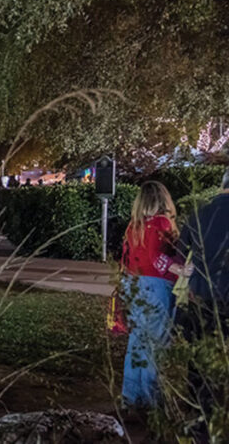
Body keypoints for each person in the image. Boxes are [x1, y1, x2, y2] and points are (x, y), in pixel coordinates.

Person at [120, 181, 190, 409]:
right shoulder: (161, 222)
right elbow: (155, 258)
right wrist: (181, 270)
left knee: (137, 342)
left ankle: (131, 396)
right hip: (157, 286)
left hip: (134, 283)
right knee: (155, 343)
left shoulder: (134, 226)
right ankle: (152, 400)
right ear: (163, 199)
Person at [178, 166, 229, 433]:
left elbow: (178, 248)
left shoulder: (200, 211)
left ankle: (199, 412)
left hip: (201, 295)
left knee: (199, 353)